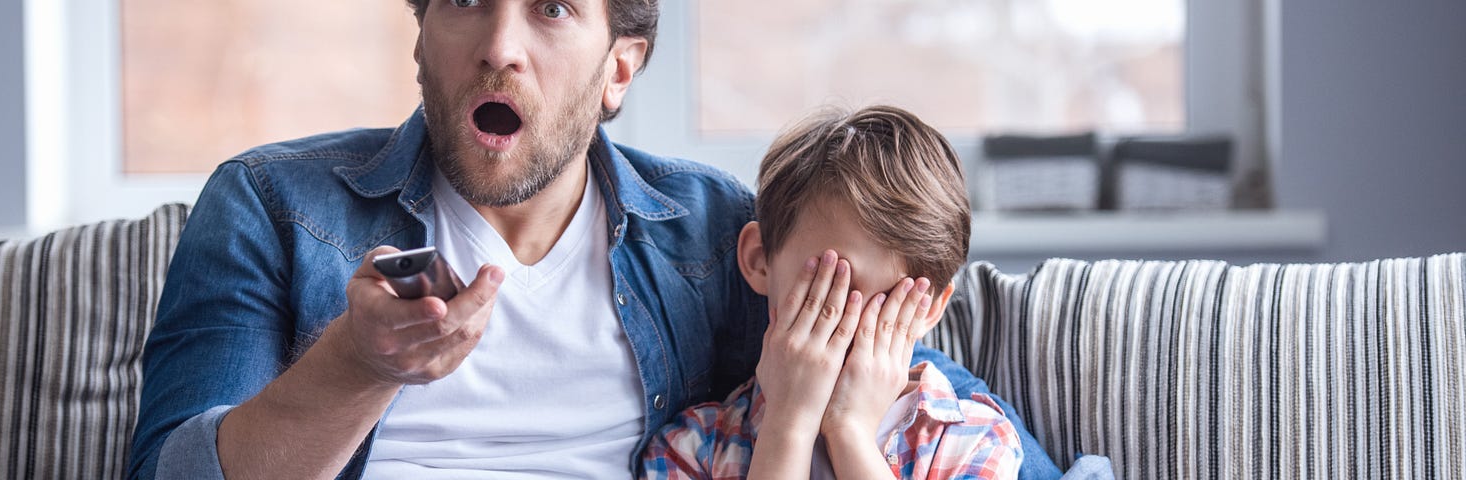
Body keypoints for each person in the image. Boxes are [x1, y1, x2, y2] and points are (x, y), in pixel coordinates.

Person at [127, 1, 1061, 478]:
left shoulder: (707, 235)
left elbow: (888, 378)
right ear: (420, 39)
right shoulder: (271, 206)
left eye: (553, 8)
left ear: (621, 67)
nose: (499, 45)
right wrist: (355, 367)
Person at [640, 106, 1022, 479]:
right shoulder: (688, 450)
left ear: (929, 309)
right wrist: (788, 423)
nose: (853, 332)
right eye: (832, 293)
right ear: (760, 260)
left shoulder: (977, 442)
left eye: (888, 308)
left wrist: (850, 431)